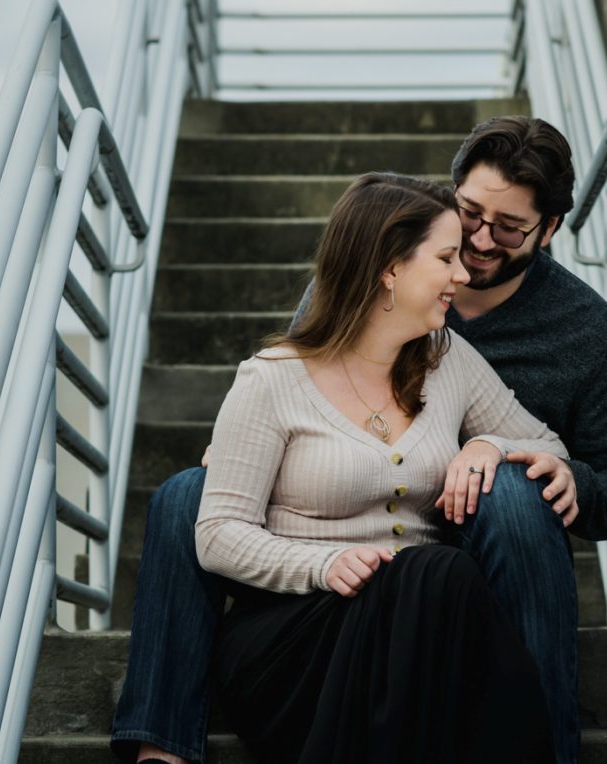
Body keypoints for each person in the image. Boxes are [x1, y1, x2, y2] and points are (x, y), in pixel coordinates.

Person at [114, 117, 607, 763]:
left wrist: (528, 462)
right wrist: (244, 454)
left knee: (509, 493)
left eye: (509, 228)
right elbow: (298, 387)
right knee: (187, 496)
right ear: (390, 267)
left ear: (550, 231)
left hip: (468, 554)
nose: (480, 245)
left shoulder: (576, 332)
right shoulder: (339, 305)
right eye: (467, 220)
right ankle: (163, 742)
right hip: (323, 572)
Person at [195, 174, 557, 762]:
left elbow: (547, 443)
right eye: (445, 258)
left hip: (419, 624)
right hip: (296, 636)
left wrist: (486, 443)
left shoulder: (447, 360)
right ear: (390, 268)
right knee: (442, 574)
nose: (463, 275)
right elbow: (216, 535)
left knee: (438, 579)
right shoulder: (272, 378)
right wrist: (323, 563)